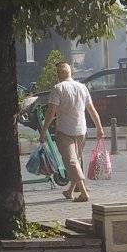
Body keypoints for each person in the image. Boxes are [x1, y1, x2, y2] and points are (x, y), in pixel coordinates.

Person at [40, 62, 104, 203]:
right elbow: (92, 110)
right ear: (71, 73)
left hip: (64, 131)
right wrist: (99, 127)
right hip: (82, 130)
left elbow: (51, 112)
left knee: (71, 162)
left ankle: (83, 193)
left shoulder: (58, 89)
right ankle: (70, 191)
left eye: (57, 72)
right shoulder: (82, 87)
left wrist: (44, 131)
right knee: (76, 161)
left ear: (59, 74)